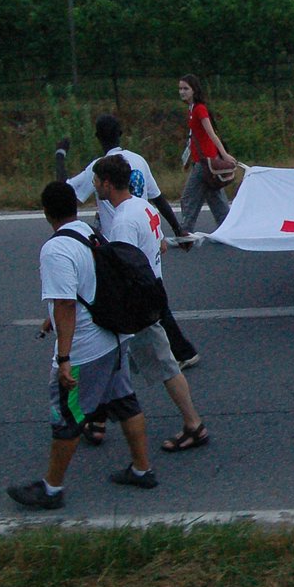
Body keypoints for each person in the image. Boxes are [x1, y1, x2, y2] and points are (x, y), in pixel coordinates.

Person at [8, 181, 156, 510]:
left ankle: (51, 489)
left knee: (68, 415)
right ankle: (142, 469)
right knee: (125, 401)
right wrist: (53, 318)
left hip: (85, 350)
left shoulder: (56, 248)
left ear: (46, 212)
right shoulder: (90, 232)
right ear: (74, 207)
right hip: (114, 338)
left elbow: (66, 305)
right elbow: (85, 286)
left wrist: (63, 358)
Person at [57, 114, 200, 368]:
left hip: (122, 244)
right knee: (151, 293)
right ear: (121, 133)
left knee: (131, 299)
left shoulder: (101, 166)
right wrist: (178, 229)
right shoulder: (139, 160)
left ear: (98, 137)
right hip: (147, 232)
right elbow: (158, 198)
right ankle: (174, 352)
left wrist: (60, 155)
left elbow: (64, 190)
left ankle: (152, 356)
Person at [93, 155, 210, 453]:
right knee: (115, 359)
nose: (94, 187)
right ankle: (97, 418)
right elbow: (160, 246)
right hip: (153, 289)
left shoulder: (121, 222)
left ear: (107, 184)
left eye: (96, 181)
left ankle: (193, 425)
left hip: (138, 301)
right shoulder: (143, 207)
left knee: (164, 364)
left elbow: (123, 268)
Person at [176, 74, 236, 236]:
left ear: (194, 90)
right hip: (201, 161)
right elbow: (194, 137)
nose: (182, 92)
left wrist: (224, 155)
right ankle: (228, 229)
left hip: (206, 162)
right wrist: (188, 158)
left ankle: (185, 231)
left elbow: (211, 134)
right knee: (215, 197)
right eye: (180, 89)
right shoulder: (192, 109)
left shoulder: (199, 109)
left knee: (189, 197)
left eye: (186, 89)